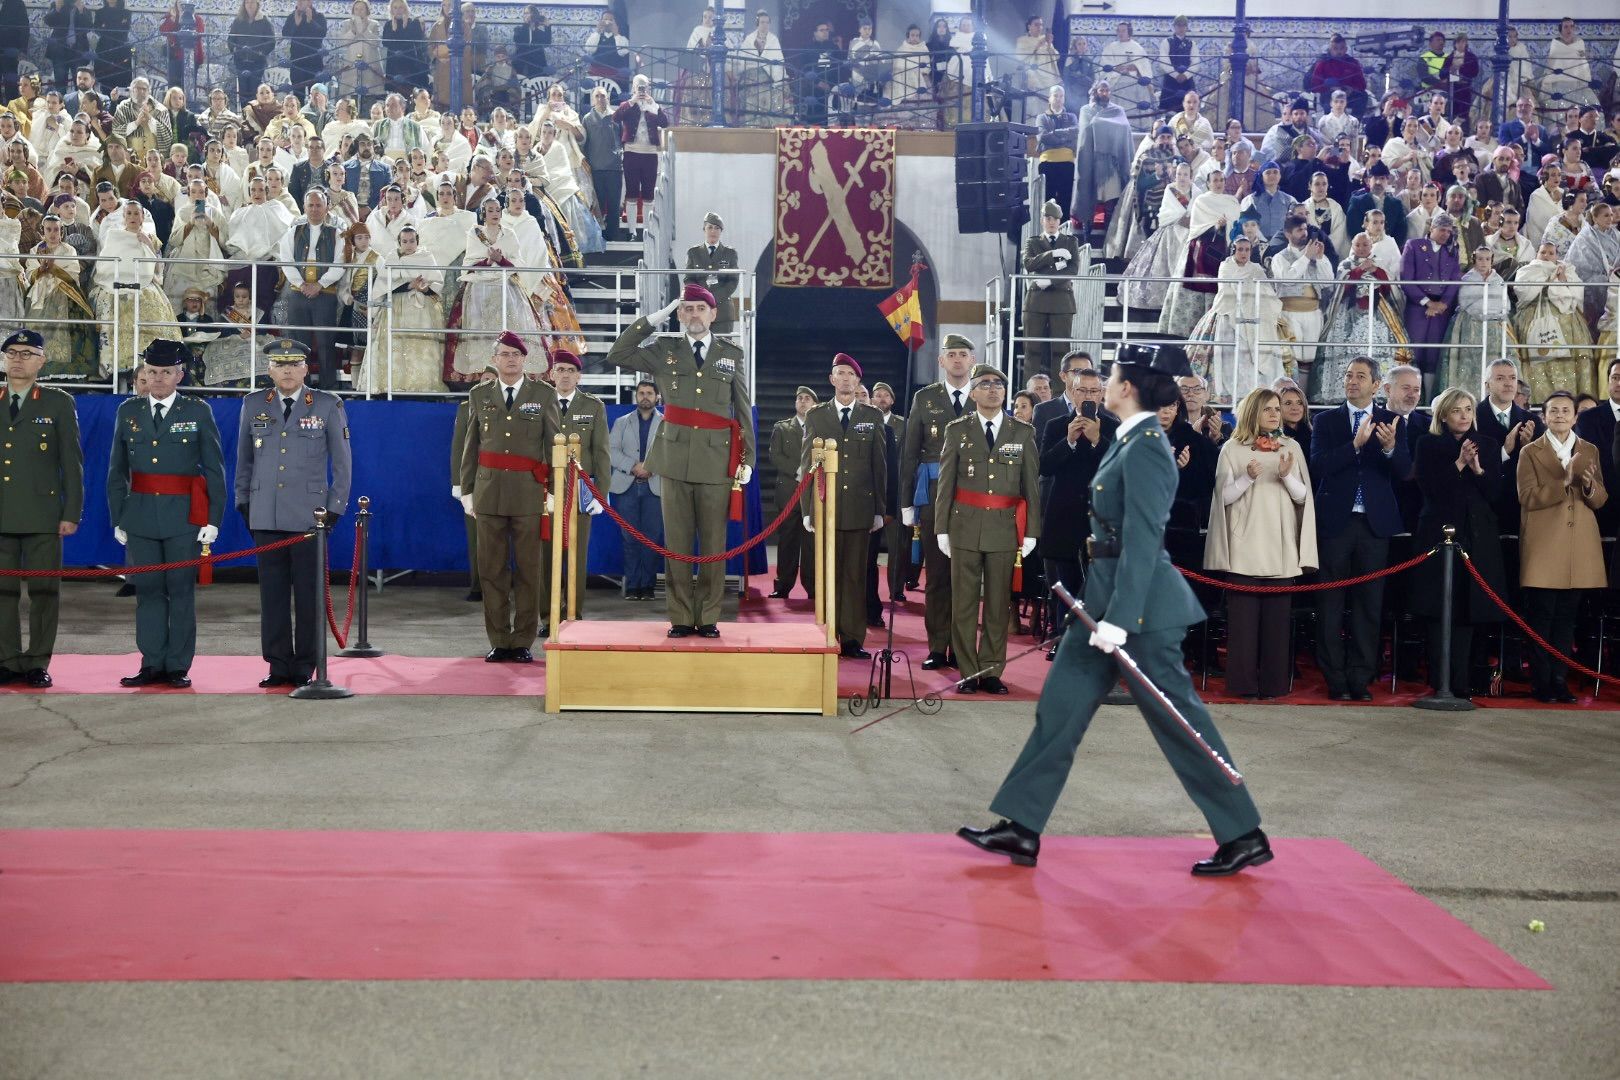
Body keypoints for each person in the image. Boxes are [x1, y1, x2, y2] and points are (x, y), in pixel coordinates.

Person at [958, 342, 1268, 875]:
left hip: (1139, 608)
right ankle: (1022, 826)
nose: (1106, 381)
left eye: (1114, 374)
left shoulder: (1147, 445)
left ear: (1130, 386)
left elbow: (1145, 539)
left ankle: (1242, 831)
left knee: (1178, 720)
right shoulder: (1130, 439)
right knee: (1059, 709)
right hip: (1102, 598)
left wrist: (1120, 621)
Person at [602, 284, 754, 639]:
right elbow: (618, 352)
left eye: (700, 308)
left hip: (717, 462)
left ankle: (710, 616)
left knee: (714, 543)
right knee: (677, 543)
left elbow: (742, 410)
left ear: (713, 314)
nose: (694, 314)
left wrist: (747, 459)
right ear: (679, 315)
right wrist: (655, 318)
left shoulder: (730, 353)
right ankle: (682, 616)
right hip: (672, 460)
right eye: (686, 309)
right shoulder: (663, 350)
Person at [108, 339, 225, 688]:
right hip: (140, 515)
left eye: (166, 372)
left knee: (180, 591)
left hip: (183, 517)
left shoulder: (197, 410)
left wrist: (213, 520)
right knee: (147, 591)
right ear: (144, 373)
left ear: (180, 374)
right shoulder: (128, 411)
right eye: (152, 372)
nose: (158, 378)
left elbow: (215, 470)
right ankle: (151, 662)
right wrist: (118, 518)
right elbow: (117, 471)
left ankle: (177, 665)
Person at [233, 339, 350, 688]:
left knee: (309, 596)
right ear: (269, 369)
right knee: (272, 597)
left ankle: (305, 665)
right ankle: (278, 664)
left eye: (294, 364)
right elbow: (244, 459)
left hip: (309, 518)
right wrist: (244, 502)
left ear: (305, 369)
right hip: (265, 514)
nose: (286, 370)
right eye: (279, 364)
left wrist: (334, 510)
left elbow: (342, 464)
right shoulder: (253, 404)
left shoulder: (328, 404)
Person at [933, 363, 1039, 694]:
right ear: (974, 392)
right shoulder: (956, 430)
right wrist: (941, 529)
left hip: (1004, 529)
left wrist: (1032, 531)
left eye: (998, 384)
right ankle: (967, 670)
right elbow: (945, 484)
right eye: (985, 384)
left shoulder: (1022, 432)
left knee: (997, 604)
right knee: (963, 603)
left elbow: (1030, 486)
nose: (993, 389)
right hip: (964, 526)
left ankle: (991, 670)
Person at [1204, 387, 1316, 699]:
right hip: (1245, 545)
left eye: (1277, 409)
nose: (1274, 414)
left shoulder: (1290, 446)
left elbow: (1303, 497)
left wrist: (1285, 476)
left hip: (1280, 544)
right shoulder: (1232, 449)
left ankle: (1274, 685)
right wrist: (1247, 479)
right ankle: (1242, 685)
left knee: (1278, 625)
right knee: (1242, 626)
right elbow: (1222, 498)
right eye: (1268, 408)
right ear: (1253, 411)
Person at [1310, 355, 1409, 701]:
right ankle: (1334, 678)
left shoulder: (1391, 421)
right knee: (1330, 603)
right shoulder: (1326, 421)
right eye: (1348, 375)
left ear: (1376, 385)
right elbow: (1318, 466)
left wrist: (1390, 447)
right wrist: (1353, 446)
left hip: (1374, 525)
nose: (1352, 381)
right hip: (1335, 524)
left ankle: (1360, 678)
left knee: (1370, 605)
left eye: (1360, 376)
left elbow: (1406, 471)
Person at [457, 331, 561, 663]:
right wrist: (467, 491)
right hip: (488, 494)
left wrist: (555, 494)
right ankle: (499, 638)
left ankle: (522, 642)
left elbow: (554, 446)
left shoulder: (543, 394)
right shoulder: (479, 394)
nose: (510, 359)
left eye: (516, 354)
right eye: (504, 354)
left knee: (529, 571)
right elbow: (470, 447)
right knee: (491, 570)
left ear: (524, 359)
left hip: (528, 495)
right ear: (495, 359)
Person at [1411, 387, 1505, 700]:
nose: (1463, 416)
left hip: (1476, 538)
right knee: (1440, 609)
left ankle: (1461, 682)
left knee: (1467, 610)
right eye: (1456, 410)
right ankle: (1439, 680)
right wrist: (1459, 464)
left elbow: (1495, 495)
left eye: (1467, 409)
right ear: (1444, 415)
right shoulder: (1428, 444)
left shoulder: (1488, 444)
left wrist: (1478, 469)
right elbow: (1431, 490)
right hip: (1439, 535)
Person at [0, 329, 82, 688]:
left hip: (43, 515)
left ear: (41, 361)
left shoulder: (57, 402)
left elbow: (72, 463)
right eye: (12, 353)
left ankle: (36, 661)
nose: (18, 359)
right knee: (2, 594)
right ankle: (6, 659)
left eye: (27, 353)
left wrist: (71, 512)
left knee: (44, 594)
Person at [1518, 390, 1606, 703]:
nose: (1559, 415)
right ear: (1543, 416)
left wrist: (1587, 484)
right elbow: (1526, 497)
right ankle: (1541, 683)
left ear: (1574, 416)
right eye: (1553, 410)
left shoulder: (1589, 449)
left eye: (1565, 410)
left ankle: (1559, 680)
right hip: (1544, 545)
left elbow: (1600, 500)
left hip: (1578, 546)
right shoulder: (1530, 451)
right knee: (1542, 617)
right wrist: (1564, 481)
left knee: (1567, 619)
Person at [797, 354, 885, 659]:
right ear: (831, 379)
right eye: (840, 373)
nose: (846, 379)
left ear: (858, 381)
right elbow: (807, 463)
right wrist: (808, 508)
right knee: (828, 574)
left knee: (855, 576)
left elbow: (879, 466)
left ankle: (852, 638)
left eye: (851, 374)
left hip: (860, 509)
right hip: (825, 506)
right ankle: (827, 633)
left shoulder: (872, 417)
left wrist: (879, 509)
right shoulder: (817, 415)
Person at [902, 334, 976, 670]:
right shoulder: (925, 397)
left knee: (968, 578)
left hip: (975, 499)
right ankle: (937, 646)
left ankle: (962, 649)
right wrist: (906, 503)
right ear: (941, 361)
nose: (958, 360)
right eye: (952, 354)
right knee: (938, 576)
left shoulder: (984, 395)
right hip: (933, 498)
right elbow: (909, 453)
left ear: (972, 360)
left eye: (963, 354)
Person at [1037, 359, 1114, 661]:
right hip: (1063, 516)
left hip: (1099, 519)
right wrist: (1069, 440)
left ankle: (1094, 644)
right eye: (1083, 390)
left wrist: (1097, 441)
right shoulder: (1057, 425)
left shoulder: (1113, 426)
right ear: (1071, 389)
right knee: (1065, 586)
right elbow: (1044, 466)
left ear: (1102, 394)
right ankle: (1063, 638)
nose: (1089, 396)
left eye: (1095, 391)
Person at [541, 348, 607, 623]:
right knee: (547, 558)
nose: (565, 375)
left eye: (571, 371)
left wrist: (599, 495)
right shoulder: (541, 403)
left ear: (579, 376)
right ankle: (548, 616)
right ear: (552, 374)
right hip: (548, 491)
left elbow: (602, 452)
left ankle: (573, 615)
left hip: (580, 493)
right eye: (560, 370)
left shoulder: (593, 405)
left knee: (577, 558)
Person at [1512, 242, 1593, 401]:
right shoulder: (1528, 270)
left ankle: (1571, 399)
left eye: (1551, 253)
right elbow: (1523, 292)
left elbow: (1577, 292)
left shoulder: (1567, 270)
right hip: (1535, 315)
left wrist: (1562, 280)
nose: (1547, 256)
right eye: (1543, 252)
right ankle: (1537, 399)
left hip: (1568, 320)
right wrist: (1546, 282)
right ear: (1537, 254)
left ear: (1557, 256)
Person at [608, 379, 663, 602]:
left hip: (656, 486)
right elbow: (611, 450)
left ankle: (648, 586)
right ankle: (632, 586)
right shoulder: (622, 422)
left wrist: (651, 467)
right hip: (626, 487)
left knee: (652, 538)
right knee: (629, 538)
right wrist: (633, 466)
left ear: (657, 397)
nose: (645, 397)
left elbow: (671, 451)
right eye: (641, 393)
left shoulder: (667, 423)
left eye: (650, 393)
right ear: (636, 396)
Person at [1400, 213, 1461, 397]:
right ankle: (1410, 397)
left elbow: (1455, 280)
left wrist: (1443, 304)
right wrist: (1428, 303)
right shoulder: (1414, 245)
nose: (1445, 234)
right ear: (1431, 228)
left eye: (1449, 232)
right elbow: (1405, 278)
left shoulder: (1452, 251)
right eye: (1442, 230)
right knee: (1414, 351)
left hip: (1442, 309)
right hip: (1417, 306)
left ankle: (1428, 400)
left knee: (1434, 354)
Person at [1443, 247, 1517, 396]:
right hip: (1471, 324)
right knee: (1469, 360)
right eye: (1480, 259)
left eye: (1487, 259)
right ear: (1474, 260)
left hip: (1494, 325)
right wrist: (1482, 312)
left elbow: (1504, 303)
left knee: (1495, 356)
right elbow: (1466, 301)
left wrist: (1493, 313)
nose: (1484, 262)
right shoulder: (1468, 279)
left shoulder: (1498, 280)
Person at [1020, 199, 1079, 382]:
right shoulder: (1033, 242)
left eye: (1055, 218)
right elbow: (1029, 264)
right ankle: (1030, 394)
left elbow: (1073, 269)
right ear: (1042, 220)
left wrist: (1049, 280)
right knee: (1032, 350)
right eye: (1048, 218)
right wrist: (1052, 254)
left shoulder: (1070, 241)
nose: (1052, 222)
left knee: (1061, 352)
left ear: (1060, 221)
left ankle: (1060, 394)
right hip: (1036, 302)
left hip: (1061, 301)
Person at [766, 385, 816, 601]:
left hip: (813, 493)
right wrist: (797, 471)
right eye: (800, 398)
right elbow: (775, 455)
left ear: (815, 404)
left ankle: (813, 586)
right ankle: (783, 585)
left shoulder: (820, 427)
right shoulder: (782, 427)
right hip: (788, 491)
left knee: (811, 543)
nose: (803, 402)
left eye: (807, 399)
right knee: (787, 541)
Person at [1069, 80, 1132, 248]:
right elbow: (1086, 131)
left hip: (1112, 166)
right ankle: (1085, 239)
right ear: (1095, 92)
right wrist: (1105, 126)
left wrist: (1101, 125)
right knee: (1088, 200)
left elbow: (1124, 128)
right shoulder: (1086, 110)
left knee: (1111, 204)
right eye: (1101, 90)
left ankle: (1108, 242)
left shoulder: (1117, 110)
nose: (1104, 93)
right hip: (1091, 164)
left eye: (1107, 90)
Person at [614, 75, 668, 239]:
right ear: (634, 88)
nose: (642, 89)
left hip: (650, 153)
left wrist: (653, 104)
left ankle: (647, 231)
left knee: (648, 194)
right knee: (631, 193)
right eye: (639, 86)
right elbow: (616, 118)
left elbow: (665, 123)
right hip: (631, 152)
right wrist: (632, 101)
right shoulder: (627, 105)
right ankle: (632, 232)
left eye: (644, 86)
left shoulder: (653, 105)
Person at [684, 211, 739, 336]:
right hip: (698, 310)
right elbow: (689, 279)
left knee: (722, 351)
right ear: (704, 229)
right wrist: (702, 297)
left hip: (722, 311)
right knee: (698, 351)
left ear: (721, 231)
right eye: (710, 227)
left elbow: (733, 281)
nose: (713, 231)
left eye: (717, 228)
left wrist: (712, 298)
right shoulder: (693, 252)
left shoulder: (730, 253)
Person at [581, 87, 622, 243]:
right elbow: (584, 143)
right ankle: (596, 236)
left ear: (608, 99)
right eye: (597, 96)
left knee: (613, 204)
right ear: (592, 100)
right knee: (596, 205)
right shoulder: (587, 119)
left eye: (603, 96)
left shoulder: (616, 117)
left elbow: (622, 138)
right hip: (595, 168)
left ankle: (613, 236)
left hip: (614, 168)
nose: (600, 99)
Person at [1035, 86, 1078, 222]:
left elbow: (1075, 134)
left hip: (1067, 163)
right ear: (1049, 98)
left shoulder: (1072, 117)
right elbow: (1042, 137)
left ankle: (1063, 236)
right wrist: (1063, 137)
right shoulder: (1041, 118)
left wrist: (1053, 134)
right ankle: (1048, 234)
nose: (1058, 99)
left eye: (1061, 96)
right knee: (1048, 200)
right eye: (1055, 95)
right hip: (1047, 162)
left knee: (1065, 200)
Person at [228, 0, 275, 112]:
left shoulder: (264, 21)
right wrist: (235, 50)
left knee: (255, 89)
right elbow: (231, 39)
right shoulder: (238, 21)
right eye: (247, 2)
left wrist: (262, 52)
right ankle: (245, 115)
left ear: (257, 4)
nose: (250, 5)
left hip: (257, 62)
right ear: (244, 5)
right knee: (243, 91)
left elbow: (271, 41)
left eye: (252, 2)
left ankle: (255, 115)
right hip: (241, 61)